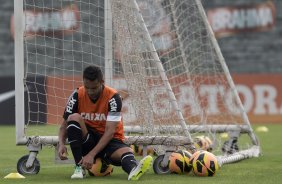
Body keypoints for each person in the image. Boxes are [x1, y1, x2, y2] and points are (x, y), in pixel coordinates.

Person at [58, 65, 153, 180]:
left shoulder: (113, 98)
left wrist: (92, 154)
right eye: (87, 87)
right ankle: (79, 167)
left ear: (102, 82)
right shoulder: (76, 95)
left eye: (94, 88)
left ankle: (133, 170)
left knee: (127, 151)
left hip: (109, 140)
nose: (90, 92)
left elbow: (110, 131)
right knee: (73, 117)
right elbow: (64, 125)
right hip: (88, 139)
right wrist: (61, 144)